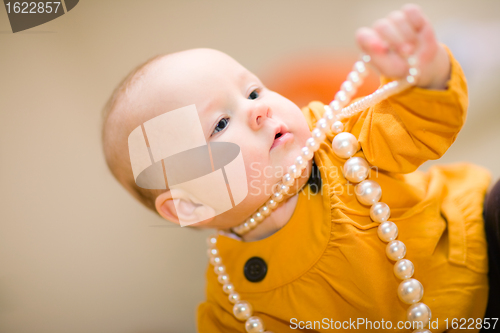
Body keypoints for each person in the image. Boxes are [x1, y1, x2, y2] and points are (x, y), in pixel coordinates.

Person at [101, 4, 499, 332]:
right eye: (220, 124)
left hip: (480, 247)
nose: (259, 109)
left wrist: (428, 78)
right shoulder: (233, 308)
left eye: (252, 91)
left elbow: (417, 124)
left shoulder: (339, 136)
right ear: (189, 205)